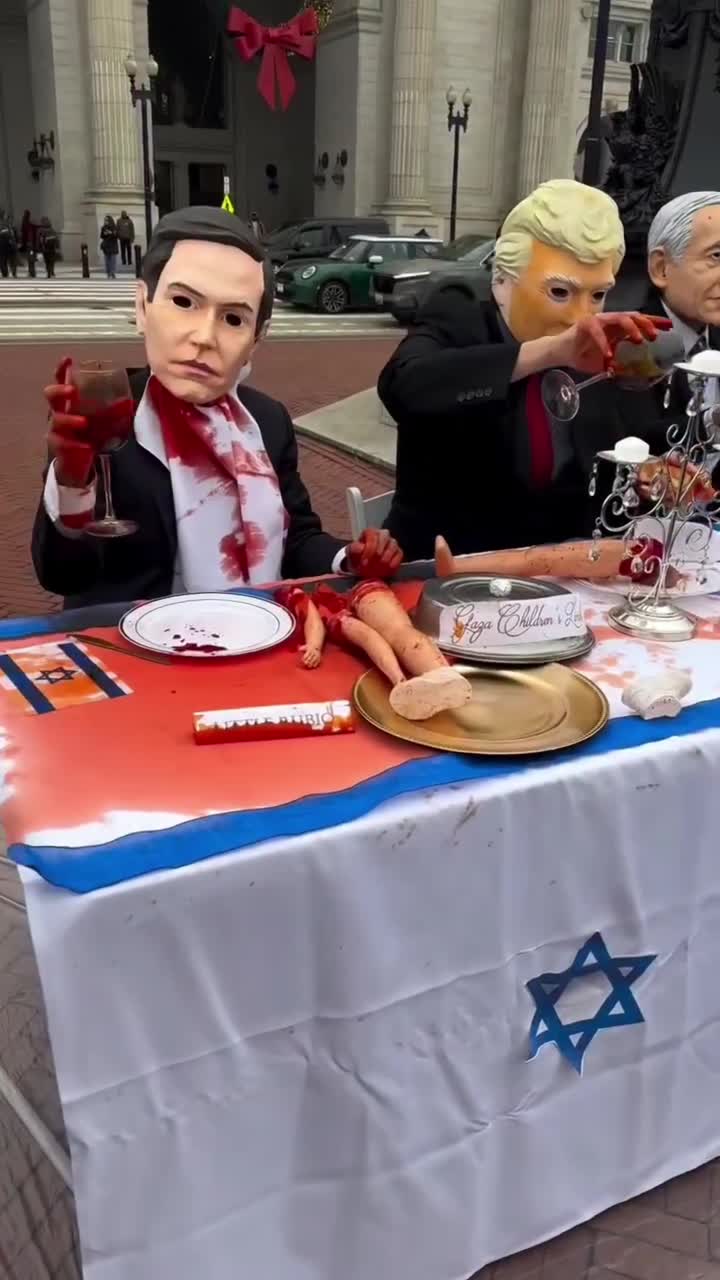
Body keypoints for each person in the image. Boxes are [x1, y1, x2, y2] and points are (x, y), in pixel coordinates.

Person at [32, 206, 402, 608]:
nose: (205, 337)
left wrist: (348, 556)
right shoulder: (104, 415)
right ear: (142, 306)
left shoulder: (267, 421)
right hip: (134, 640)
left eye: (233, 319)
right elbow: (63, 575)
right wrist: (71, 484)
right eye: (183, 301)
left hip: (254, 628)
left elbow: (295, 537)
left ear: (256, 340)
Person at [377, 178, 667, 560]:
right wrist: (544, 353)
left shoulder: (597, 353)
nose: (581, 317)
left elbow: (611, 462)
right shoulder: (457, 315)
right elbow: (404, 386)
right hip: (447, 566)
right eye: (559, 292)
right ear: (502, 280)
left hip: (564, 572)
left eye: (597, 295)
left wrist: (649, 474)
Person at [0, 212, 18, 279]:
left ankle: (9, 272)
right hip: (6, 244)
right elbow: (15, 235)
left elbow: (16, 235)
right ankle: (8, 273)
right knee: (5, 259)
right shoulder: (10, 226)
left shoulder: (11, 226)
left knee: (6, 259)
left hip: (8, 245)